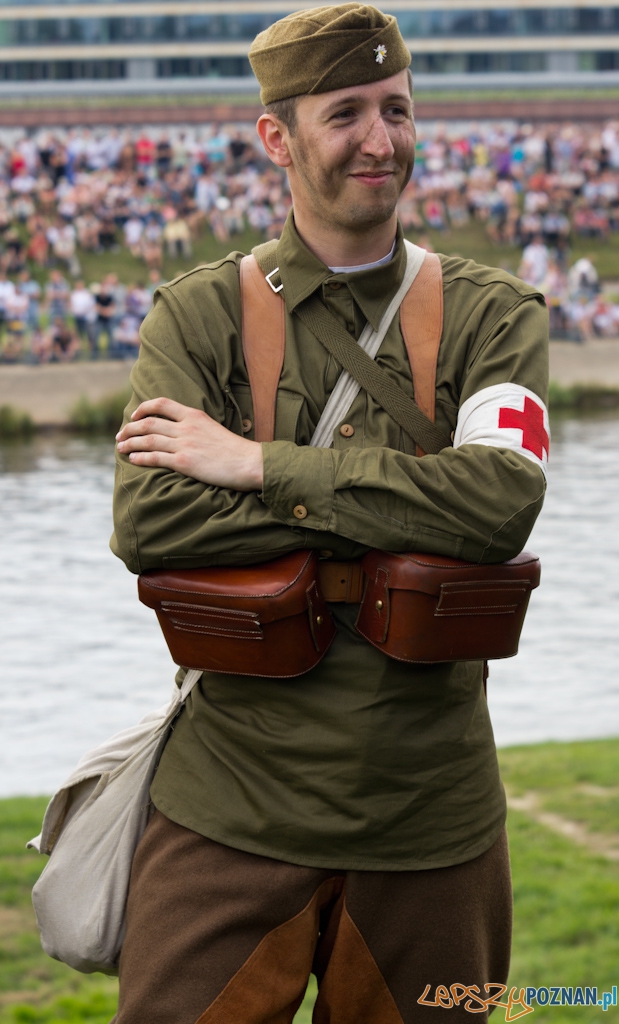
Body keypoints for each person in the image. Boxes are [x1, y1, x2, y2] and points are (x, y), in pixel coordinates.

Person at [112, 5, 549, 1022]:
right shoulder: (198, 315)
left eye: (396, 108)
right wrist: (406, 500)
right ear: (277, 137)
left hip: (431, 822)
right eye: (344, 113)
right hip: (229, 807)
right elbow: (148, 523)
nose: (379, 139)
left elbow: (499, 508)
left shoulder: (493, 314)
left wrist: (254, 466)